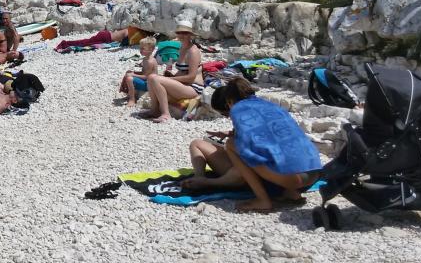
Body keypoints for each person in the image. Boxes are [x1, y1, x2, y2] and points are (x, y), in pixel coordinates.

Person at [182, 78, 321, 213]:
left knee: (231, 145)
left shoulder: (238, 109)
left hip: (291, 178)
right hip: (314, 173)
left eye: (225, 114)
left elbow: (247, 147)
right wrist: (232, 133)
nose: (228, 116)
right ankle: (290, 193)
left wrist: (234, 142)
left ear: (229, 102)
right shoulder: (269, 105)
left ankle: (263, 200)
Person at [141, 23, 203, 123]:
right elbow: (183, 71)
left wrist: (170, 79)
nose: (181, 35)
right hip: (184, 85)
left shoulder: (193, 51)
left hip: (193, 88)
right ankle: (155, 110)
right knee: (151, 78)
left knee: (154, 78)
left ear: (190, 35)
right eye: (179, 33)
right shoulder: (182, 48)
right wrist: (172, 76)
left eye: (185, 33)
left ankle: (166, 114)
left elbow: (191, 77)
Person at [118, 37, 159, 105]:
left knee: (129, 78)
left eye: (143, 48)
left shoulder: (150, 62)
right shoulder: (145, 59)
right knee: (128, 73)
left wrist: (133, 74)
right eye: (140, 48)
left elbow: (146, 77)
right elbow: (144, 73)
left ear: (151, 49)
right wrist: (133, 73)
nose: (140, 50)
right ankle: (129, 94)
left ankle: (132, 99)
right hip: (146, 81)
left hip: (148, 84)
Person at [54, 26, 145, 52]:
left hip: (106, 35)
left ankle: (66, 43)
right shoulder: (131, 33)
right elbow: (124, 42)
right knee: (84, 43)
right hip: (105, 37)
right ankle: (65, 43)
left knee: (85, 41)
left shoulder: (131, 29)